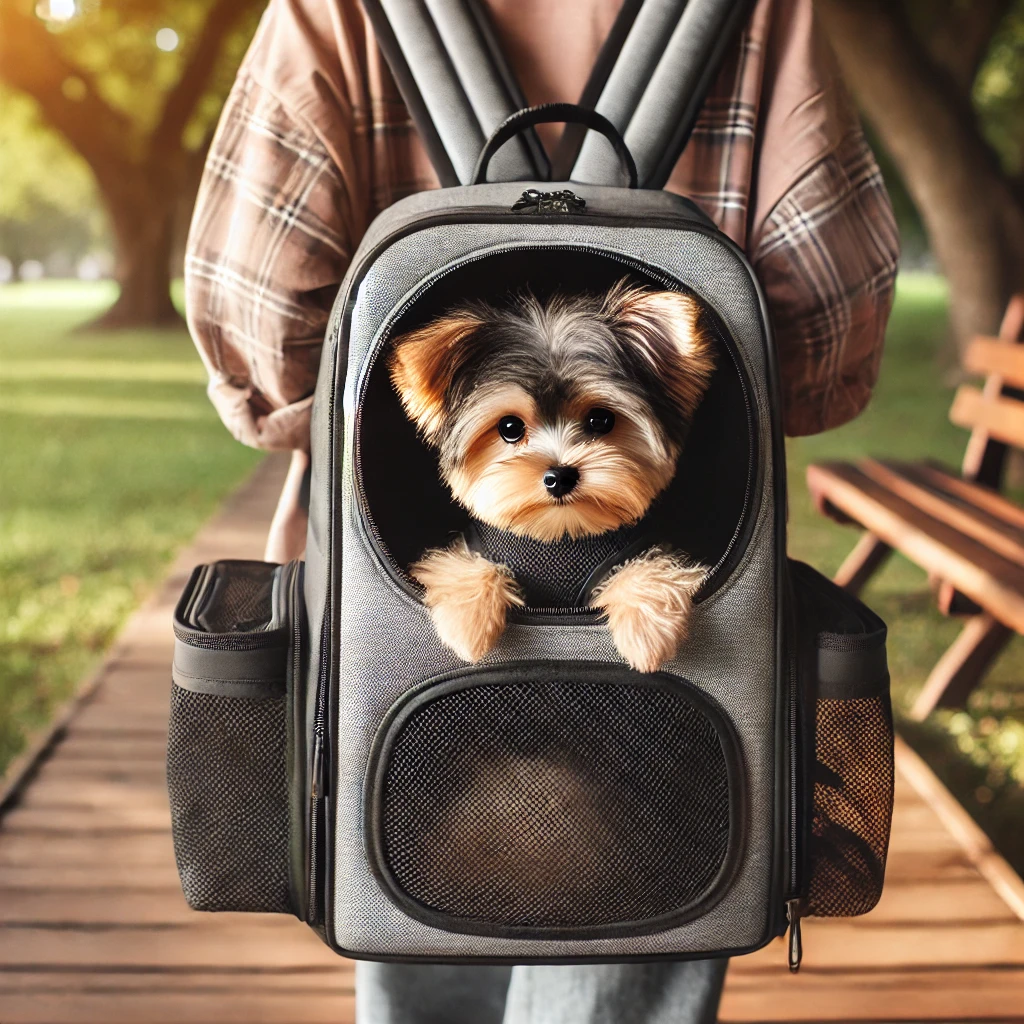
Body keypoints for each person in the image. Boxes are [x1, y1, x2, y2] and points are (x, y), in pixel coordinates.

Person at [185, 1, 899, 1020]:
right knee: (654, 905)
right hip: (684, 675)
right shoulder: (759, 12)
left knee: (410, 903)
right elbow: (832, 322)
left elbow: (260, 328)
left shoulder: (332, 12)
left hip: (396, 630)